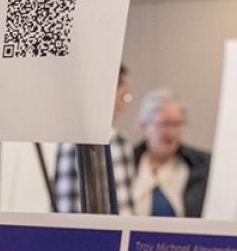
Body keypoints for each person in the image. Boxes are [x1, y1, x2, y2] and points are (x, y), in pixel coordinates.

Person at [55, 65, 135, 213]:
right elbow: (124, 209)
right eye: (123, 96)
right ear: (107, 94)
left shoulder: (66, 137)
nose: (123, 107)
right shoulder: (113, 139)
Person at [129, 88, 211, 217]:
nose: (171, 132)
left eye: (177, 124)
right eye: (165, 124)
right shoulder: (128, 161)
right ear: (144, 126)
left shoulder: (201, 165)